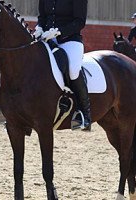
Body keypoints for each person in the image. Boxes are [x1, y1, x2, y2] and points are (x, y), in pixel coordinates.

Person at [33, 0, 91, 131]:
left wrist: (59, 32)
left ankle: (84, 114)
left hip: (69, 40)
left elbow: (80, 22)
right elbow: (42, 17)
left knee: (73, 70)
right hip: (46, 38)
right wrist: (39, 27)